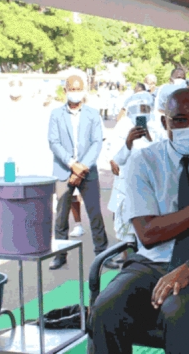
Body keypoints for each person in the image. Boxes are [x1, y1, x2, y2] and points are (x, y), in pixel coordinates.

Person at [88, 88, 189, 353]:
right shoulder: (144, 161)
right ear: (165, 123)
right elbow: (149, 235)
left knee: (178, 312)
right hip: (150, 264)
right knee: (106, 308)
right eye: (180, 120)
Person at [47, 75, 114, 270]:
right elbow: (54, 142)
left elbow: (96, 142)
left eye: (79, 89)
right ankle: (60, 255)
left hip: (88, 171)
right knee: (61, 215)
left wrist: (81, 167)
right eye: (72, 88)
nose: (75, 92)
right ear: (65, 90)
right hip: (64, 170)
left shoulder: (93, 114)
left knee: (95, 213)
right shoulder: (56, 114)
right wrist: (71, 164)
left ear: (84, 90)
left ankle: (102, 254)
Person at [107, 92, 161, 264]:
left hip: (153, 189)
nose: (141, 112)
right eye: (137, 108)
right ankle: (128, 266)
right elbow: (116, 161)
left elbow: (163, 156)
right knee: (128, 237)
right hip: (127, 188)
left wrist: (150, 138)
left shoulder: (157, 126)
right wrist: (128, 143)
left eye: (145, 108)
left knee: (149, 234)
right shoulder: (122, 127)